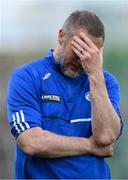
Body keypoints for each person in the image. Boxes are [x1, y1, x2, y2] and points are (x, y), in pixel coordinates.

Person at [7, 10, 123, 179]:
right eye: (79, 50)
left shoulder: (106, 82)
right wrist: (90, 145)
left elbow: (106, 137)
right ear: (61, 36)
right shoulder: (27, 77)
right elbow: (32, 142)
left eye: (90, 53)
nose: (82, 59)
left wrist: (95, 75)